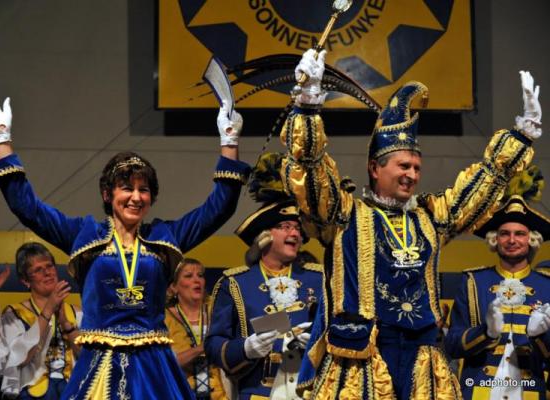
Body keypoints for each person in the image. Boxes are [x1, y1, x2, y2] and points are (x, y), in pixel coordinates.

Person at [280, 49, 541, 399]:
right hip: (362, 360)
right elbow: (310, 170)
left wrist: (521, 135)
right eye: (403, 166)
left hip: (422, 357)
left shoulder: (430, 217)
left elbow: (482, 186)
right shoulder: (345, 214)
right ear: (375, 168)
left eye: (417, 168)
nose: (412, 175)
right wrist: (308, 106)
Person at [0, 90, 250, 399]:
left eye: (144, 189)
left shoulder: (164, 237)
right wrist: (2, 139)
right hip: (98, 366)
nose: (136, 197)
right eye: (126, 188)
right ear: (108, 194)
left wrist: (229, 141)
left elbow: (219, 208)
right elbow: (28, 208)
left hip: (154, 368)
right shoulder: (84, 235)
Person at [205, 153, 324, 400]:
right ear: (264, 236)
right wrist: (245, 349)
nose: (295, 234)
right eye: (286, 227)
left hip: (309, 391)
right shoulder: (235, 283)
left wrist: (318, 343)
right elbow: (214, 344)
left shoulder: (319, 278)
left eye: (298, 228)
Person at [445, 190, 550, 400]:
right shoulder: (473, 281)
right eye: (504, 234)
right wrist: (487, 333)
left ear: (531, 240)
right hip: (479, 392)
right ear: (495, 239)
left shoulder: (546, 285)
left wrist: (540, 336)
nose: (512, 240)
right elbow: (452, 346)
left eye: (519, 234)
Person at [0, 242, 79, 399]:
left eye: (49, 266)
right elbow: (20, 358)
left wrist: (67, 325)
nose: (47, 273)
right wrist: (48, 310)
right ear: (26, 281)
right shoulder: (14, 314)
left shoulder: (76, 312)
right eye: (38, 270)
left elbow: (88, 358)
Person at [164, 258, 228, 400]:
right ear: (173, 287)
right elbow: (164, 364)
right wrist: (201, 348)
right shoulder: (163, 319)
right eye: (188, 276)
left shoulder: (219, 309)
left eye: (200, 275)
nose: (197, 280)